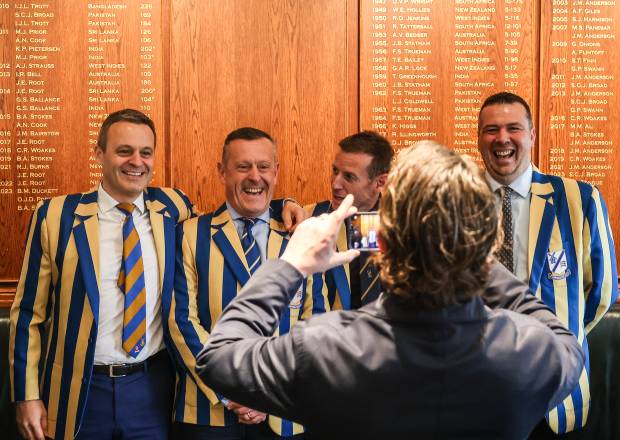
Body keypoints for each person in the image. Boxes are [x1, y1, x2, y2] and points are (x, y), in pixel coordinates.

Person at [196, 141, 585, 439]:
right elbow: (565, 341)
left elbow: (217, 356)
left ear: (387, 237)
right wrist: (470, 253)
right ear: (485, 238)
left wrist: (291, 264)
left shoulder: (327, 348)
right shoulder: (532, 354)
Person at [8, 109, 196, 440]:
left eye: (145, 152)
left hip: (152, 389)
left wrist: (284, 205)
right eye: (124, 150)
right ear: (99, 154)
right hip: (78, 390)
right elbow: (27, 316)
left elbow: (231, 218)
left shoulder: (173, 207)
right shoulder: (56, 216)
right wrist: (26, 395)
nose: (136, 161)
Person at [477, 92, 618, 436]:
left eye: (514, 128)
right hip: (474, 387)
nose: (503, 139)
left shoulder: (580, 199)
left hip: (554, 392)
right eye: (491, 130)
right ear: (479, 138)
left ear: (532, 134)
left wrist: (557, 339)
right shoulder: (454, 201)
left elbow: (601, 291)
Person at [167, 127, 319, 440]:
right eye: (242, 167)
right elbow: (181, 321)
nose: (254, 176)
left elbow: (313, 321)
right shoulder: (190, 235)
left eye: (263, 167)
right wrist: (231, 392)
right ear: (221, 172)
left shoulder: (300, 236)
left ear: (276, 172)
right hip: (207, 415)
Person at [304, 131, 393, 310]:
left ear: (379, 182)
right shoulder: (311, 218)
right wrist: (285, 203)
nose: (335, 184)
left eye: (349, 177)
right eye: (335, 171)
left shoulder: (403, 226)